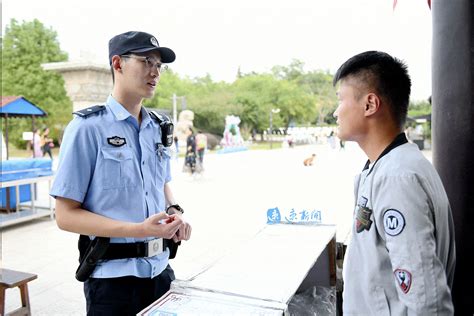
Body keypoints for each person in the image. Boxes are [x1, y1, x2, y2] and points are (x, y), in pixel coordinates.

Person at [50, 31, 192, 315]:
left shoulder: (158, 127)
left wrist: (174, 212)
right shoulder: (88, 128)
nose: (155, 72)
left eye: (159, 65)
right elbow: (65, 216)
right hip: (112, 283)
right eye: (146, 62)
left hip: (161, 272)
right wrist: (138, 230)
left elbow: (161, 182)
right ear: (118, 64)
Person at [333, 51, 455, 315]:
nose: (335, 112)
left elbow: (427, 301)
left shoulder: (397, 178)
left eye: (340, 100)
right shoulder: (389, 166)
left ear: (370, 104)